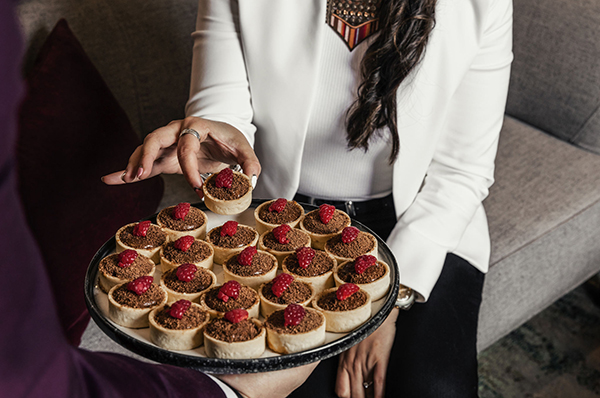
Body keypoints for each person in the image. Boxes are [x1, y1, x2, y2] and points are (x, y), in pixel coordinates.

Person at [103, 0, 513, 397]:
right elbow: (222, 104)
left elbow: (463, 171)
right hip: (279, 222)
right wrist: (212, 135)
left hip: (420, 219)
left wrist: (385, 302)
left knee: (436, 390)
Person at [0, 1, 317, 397]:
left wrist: (403, 282)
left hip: (408, 226)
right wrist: (209, 133)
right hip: (264, 203)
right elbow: (224, 96)